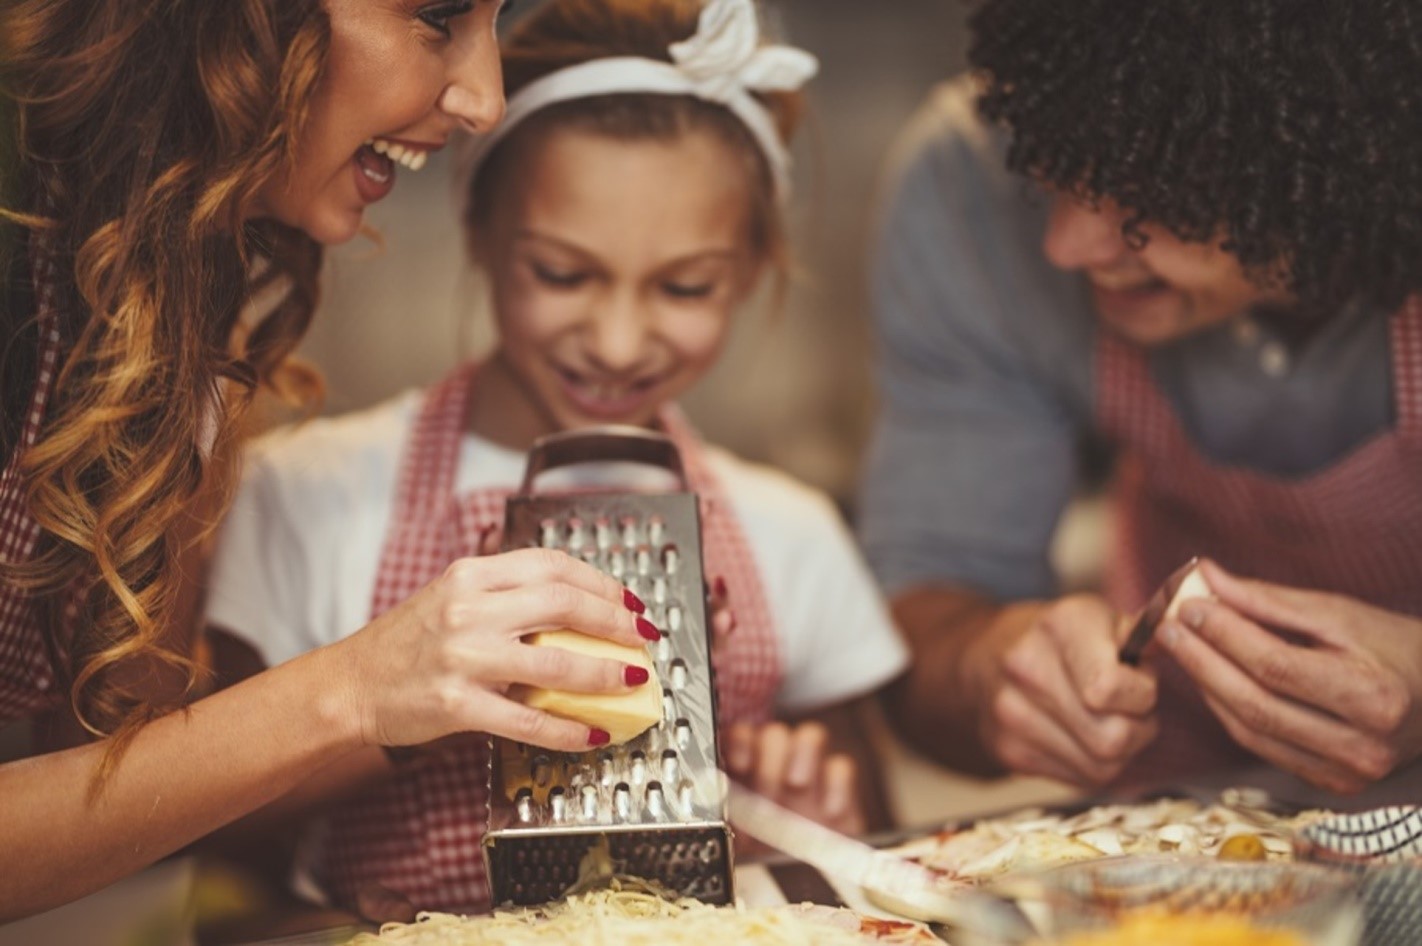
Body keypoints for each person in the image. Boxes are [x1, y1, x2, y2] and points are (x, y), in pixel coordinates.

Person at [203, 0, 908, 917]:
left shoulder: (792, 532)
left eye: (684, 287)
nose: (617, 341)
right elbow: (215, 834)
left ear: (751, 268)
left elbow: (878, 837)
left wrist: (813, 819)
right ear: (481, 233)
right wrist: (425, 710)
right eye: (563, 275)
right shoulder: (308, 494)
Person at [0, 0, 661, 923]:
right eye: (438, 16)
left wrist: (422, 699)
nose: (485, 99)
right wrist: (352, 687)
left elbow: (106, 748)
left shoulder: (180, 284)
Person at [861, 0, 1422, 796]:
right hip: (1181, 803)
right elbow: (923, 626)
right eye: (1051, 170)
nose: (1066, 245)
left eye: (1151, 195)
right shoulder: (970, 191)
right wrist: (992, 667)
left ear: (1343, 150)